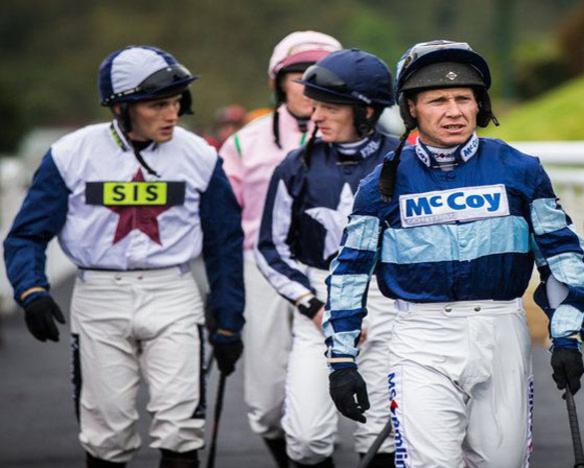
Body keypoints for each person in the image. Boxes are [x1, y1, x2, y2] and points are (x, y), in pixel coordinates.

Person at [323, 40, 584, 467]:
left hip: (501, 330)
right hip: (420, 337)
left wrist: (567, 337)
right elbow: (350, 274)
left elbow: (561, 256)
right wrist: (341, 360)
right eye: (438, 100)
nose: (454, 111)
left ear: (478, 104)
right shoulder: (381, 184)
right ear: (411, 108)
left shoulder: (520, 170)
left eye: (463, 98)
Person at [3, 45, 245, 468]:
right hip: (99, 297)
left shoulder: (201, 156)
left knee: (181, 428)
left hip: (172, 293)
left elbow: (224, 242)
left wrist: (228, 319)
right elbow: (26, 234)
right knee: (107, 436)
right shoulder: (70, 154)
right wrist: (32, 290)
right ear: (120, 107)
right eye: (157, 105)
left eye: (176, 103)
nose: (171, 114)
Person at [255, 48, 398, 467]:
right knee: (305, 437)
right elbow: (271, 247)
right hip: (320, 303)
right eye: (314, 105)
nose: (316, 117)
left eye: (330, 107)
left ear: (367, 111)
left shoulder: (404, 161)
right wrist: (313, 306)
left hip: (389, 300)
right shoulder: (294, 166)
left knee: (382, 437)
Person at [218, 30, 341, 467]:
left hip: (339, 271)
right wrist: (223, 294)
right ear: (278, 83)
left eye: (321, 76)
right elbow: (222, 227)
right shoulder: (242, 143)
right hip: (264, 270)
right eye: (298, 76)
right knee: (267, 403)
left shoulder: (365, 143)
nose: (309, 87)